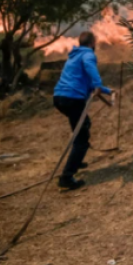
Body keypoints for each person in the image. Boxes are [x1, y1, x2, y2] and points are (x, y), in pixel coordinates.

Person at [52, 31, 114, 191]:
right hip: (72, 99)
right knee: (82, 139)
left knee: (83, 124)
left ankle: (77, 160)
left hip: (59, 98)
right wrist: (99, 84)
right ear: (92, 43)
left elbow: (86, 83)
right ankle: (67, 176)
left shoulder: (74, 56)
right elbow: (90, 70)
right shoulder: (88, 55)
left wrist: (107, 91)